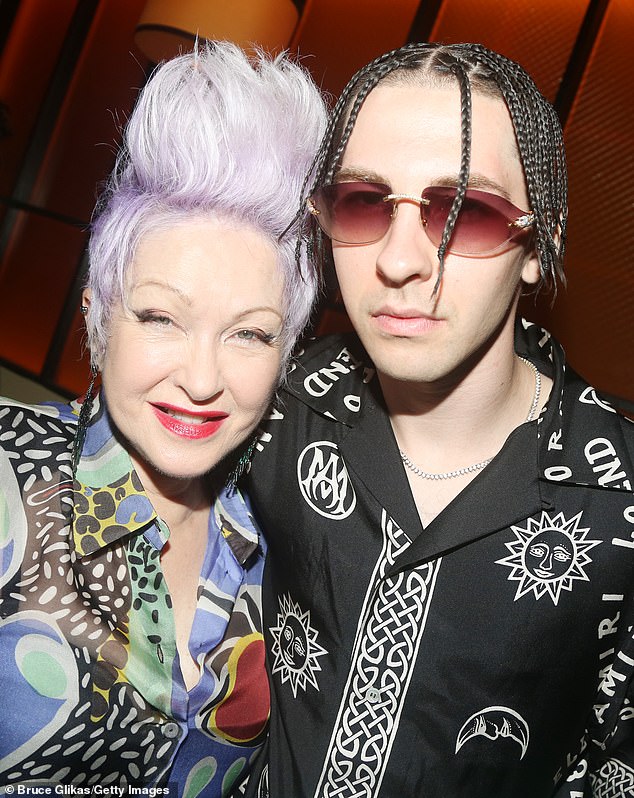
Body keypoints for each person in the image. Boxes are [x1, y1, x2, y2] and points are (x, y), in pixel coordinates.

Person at [244, 42, 634, 797]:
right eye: (363, 200)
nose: (399, 259)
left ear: (539, 241)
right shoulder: (276, 406)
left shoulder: (618, 502)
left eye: (468, 211)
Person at [0, 42, 325, 795]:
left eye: (249, 333)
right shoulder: (11, 477)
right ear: (96, 318)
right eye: (161, 318)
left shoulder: (283, 535)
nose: (203, 378)